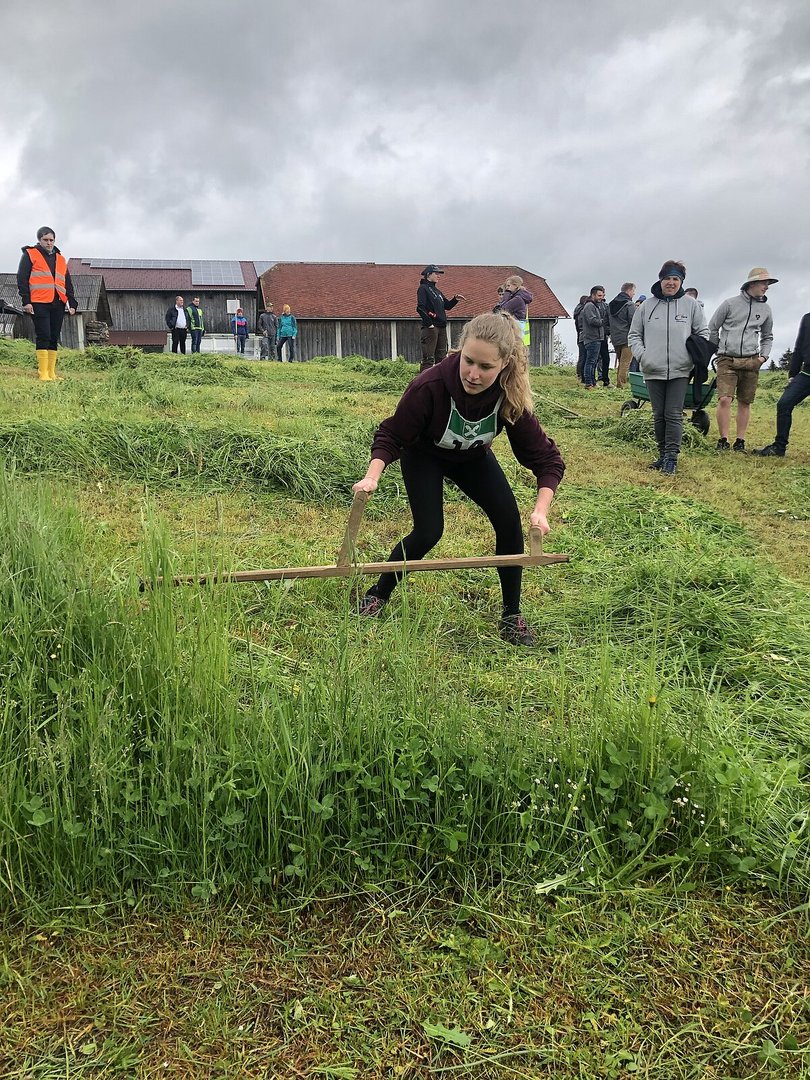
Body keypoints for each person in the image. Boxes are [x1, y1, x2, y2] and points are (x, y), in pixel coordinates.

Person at [351, 312, 565, 647]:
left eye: (486, 367)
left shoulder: (510, 396)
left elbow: (546, 459)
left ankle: (511, 616)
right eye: (469, 361)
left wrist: (541, 510)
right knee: (429, 531)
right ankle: (379, 593)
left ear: (505, 364)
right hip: (425, 456)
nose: (473, 374)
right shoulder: (429, 386)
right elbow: (392, 434)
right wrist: (371, 476)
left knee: (509, 522)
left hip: (472, 458)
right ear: (460, 350)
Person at [628, 260, 708, 475]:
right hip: (652, 369)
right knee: (659, 414)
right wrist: (644, 356)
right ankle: (662, 454)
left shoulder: (691, 305)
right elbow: (634, 335)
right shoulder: (647, 306)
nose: (671, 283)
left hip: (680, 370)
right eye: (667, 278)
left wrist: (691, 356)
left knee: (673, 413)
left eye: (675, 279)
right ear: (660, 280)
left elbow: (703, 333)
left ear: (681, 281)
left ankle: (672, 458)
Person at [708, 268, 776, 453]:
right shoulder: (729, 304)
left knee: (745, 401)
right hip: (727, 359)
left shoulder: (766, 309)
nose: (766, 287)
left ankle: (740, 441)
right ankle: (723, 439)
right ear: (751, 284)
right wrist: (717, 348)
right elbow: (713, 327)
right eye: (763, 283)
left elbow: (767, 336)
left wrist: (763, 357)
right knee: (724, 399)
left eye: (768, 283)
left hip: (752, 360)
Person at [17, 225, 77, 381]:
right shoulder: (30, 254)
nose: (49, 243)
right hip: (38, 302)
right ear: (39, 240)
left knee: (54, 337)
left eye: (51, 240)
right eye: (46, 240)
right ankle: (42, 372)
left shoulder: (61, 259)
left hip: (58, 302)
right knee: (44, 335)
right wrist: (26, 301)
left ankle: (51, 372)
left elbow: (67, 282)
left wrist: (72, 302)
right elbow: (22, 279)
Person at [753, 311, 810, 457]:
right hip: (807, 374)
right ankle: (779, 447)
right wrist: (793, 374)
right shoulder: (807, 318)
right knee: (784, 404)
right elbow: (799, 347)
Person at [416, 265, 465, 372]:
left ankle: (440, 379)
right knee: (428, 359)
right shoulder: (423, 288)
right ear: (428, 275)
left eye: (439, 274)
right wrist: (429, 324)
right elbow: (420, 308)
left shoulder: (437, 291)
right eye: (436, 273)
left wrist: (455, 299)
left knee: (442, 358)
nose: (439, 276)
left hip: (442, 327)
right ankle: (424, 380)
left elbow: (447, 306)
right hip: (431, 328)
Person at [608, 282, 636, 389]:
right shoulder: (629, 304)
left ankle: (619, 383)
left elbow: (607, 321)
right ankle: (622, 385)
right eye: (633, 291)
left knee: (621, 361)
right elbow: (633, 321)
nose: (634, 294)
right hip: (627, 337)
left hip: (615, 337)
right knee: (625, 362)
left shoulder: (611, 305)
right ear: (629, 290)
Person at [581, 285, 606, 390]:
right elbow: (592, 320)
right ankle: (588, 383)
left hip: (596, 337)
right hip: (592, 338)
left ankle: (593, 382)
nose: (601, 298)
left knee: (593, 361)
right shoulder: (589, 306)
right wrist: (603, 321)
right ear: (593, 295)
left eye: (602, 295)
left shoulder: (594, 306)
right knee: (590, 362)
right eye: (599, 295)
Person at [495, 275, 533, 341]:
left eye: (508, 286)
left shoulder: (517, 299)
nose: (507, 288)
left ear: (515, 285)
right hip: (518, 327)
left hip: (515, 327)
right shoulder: (519, 297)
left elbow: (503, 309)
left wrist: (507, 293)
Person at [572, 294, 589, 382]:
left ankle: (579, 374)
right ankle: (582, 375)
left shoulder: (577, 310)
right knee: (584, 356)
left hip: (579, 335)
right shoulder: (583, 311)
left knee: (581, 356)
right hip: (584, 335)